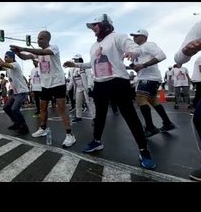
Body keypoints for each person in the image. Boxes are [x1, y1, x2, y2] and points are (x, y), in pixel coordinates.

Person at [63, 14, 155, 169]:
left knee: (131, 117)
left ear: (105, 25)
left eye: (95, 25)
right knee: (99, 117)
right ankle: (97, 142)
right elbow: (92, 64)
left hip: (118, 82)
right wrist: (75, 64)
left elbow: (134, 48)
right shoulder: (93, 46)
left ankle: (143, 150)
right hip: (100, 85)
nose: (93, 29)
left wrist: (132, 53)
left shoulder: (117, 37)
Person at [10, 30, 76, 148]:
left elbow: (42, 52)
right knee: (43, 107)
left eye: (41, 38)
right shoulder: (39, 53)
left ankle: (70, 134)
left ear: (47, 40)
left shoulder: (53, 48)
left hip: (57, 82)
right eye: (38, 38)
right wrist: (18, 53)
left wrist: (23, 48)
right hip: (45, 84)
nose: (38, 40)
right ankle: (43, 128)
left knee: (61, 109)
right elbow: (25, 57)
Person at [129, 29, 176, 138]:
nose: (134, 38)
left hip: (149, 78)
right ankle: (168, 123)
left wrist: (143, 65)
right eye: (133, 36)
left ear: (144, 37)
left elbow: (161, 55)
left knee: (140, 99)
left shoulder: (148, 45)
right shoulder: (139, 50)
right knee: (153, 100)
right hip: (147, 78)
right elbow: (138, 65)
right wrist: (131, 66)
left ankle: (150, 128)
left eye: (137, 36)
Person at [174, 20, 201, 181]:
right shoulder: (199, 25)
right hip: (182, 84)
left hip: (188, 83)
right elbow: (179, 56)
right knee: (199, 118)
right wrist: (186, 51)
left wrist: (190, 80)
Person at [0, 49, 30, 134]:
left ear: (12, 58)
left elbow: (1, 63)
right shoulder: (8, 68)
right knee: (6, 108)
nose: (4, 58)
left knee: (15, 109)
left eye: (6, 57)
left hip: (22, 92)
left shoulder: (15, 65)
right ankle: (16, 123)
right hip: (15, 93)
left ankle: (24, 127)